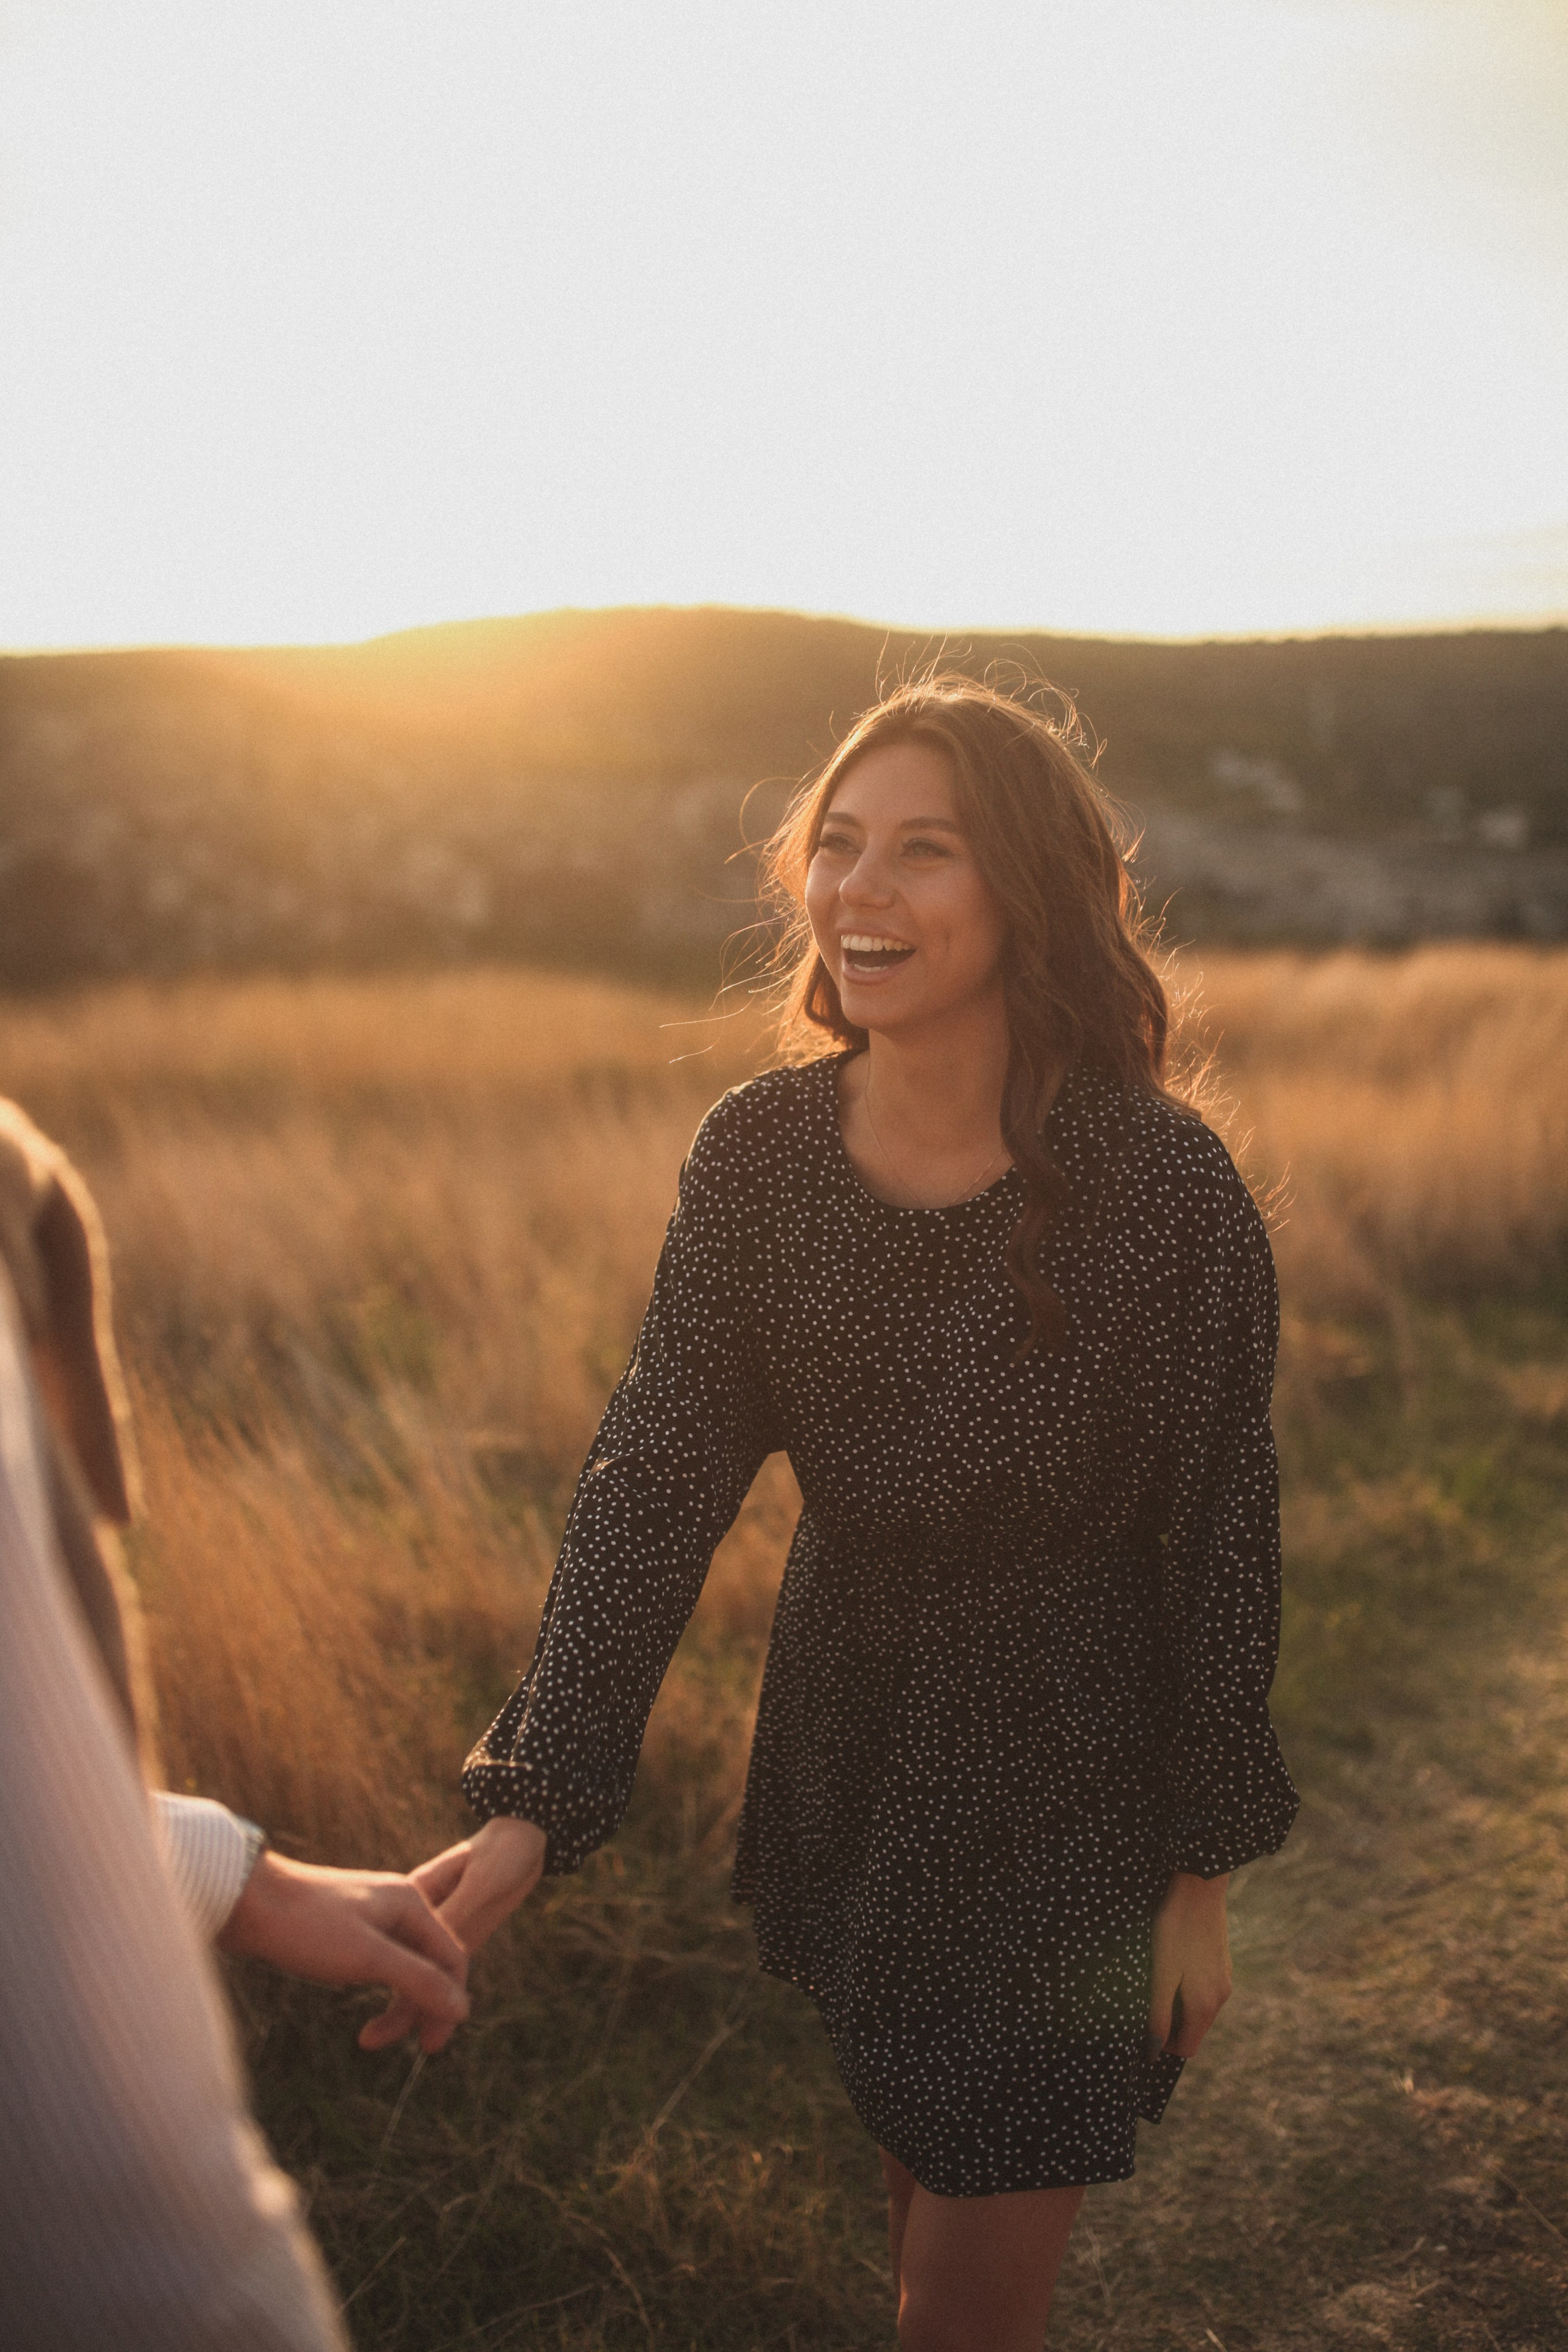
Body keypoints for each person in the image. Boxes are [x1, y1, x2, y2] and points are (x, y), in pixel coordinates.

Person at [372, 676, 1300, 2350]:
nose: (860, 888)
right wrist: (536, 1802)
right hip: (851, 1762)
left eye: (925, 850)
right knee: (912, 2212)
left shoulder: (1167, 1192)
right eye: (840, 844)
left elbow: (1221, 1538)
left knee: (956, 2312)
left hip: (1070, 1790)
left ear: (1026, 893)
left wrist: (1200, 1876)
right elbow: (654, 1481)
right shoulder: (762, 1160)